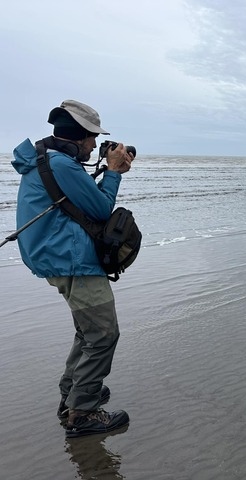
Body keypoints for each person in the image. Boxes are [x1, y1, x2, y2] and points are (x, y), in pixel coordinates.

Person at [12, 100, 134, 438]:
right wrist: (112, 173)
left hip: (56, 257)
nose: (95, 145)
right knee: (103, 334)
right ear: (79, 136)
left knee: (87, 331)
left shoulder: (47, 160)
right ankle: (82, 413)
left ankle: (73, 394)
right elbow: (100, 209)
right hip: (71, 260)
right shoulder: (62, 165)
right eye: (92, 138)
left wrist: (108, 172)